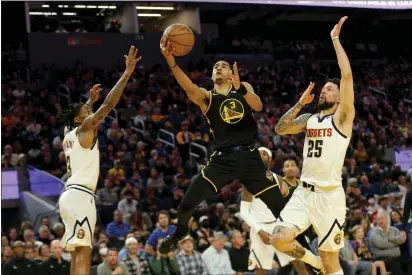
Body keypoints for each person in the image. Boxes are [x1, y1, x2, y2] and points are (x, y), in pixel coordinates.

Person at [159, 35, 287, 254]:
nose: (218, 68)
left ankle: (308, 255)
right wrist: (171, 61)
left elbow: (257, 106)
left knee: (283, 210)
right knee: (186, 204)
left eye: (223, 66)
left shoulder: (242, 88)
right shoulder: (206, 97)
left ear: (230, 74)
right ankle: (180, 233)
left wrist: (243, 89)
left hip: (250, 158)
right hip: (222, 159)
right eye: (216, 66)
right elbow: (188, 86)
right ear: (212, 75)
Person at [272, 16, 355, 275]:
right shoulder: (310, 119)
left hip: (330, 197)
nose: (323, 91)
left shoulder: (342, 118)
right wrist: (299, 104)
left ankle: (323, 265)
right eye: (323, 89)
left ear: (339, 97)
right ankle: (314, 263)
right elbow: (280, 128)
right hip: (304, 194)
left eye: (329, 89)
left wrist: (335, 40)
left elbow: (347, 75)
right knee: (279, 238)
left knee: (332, 264)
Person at [58, 46, 142, 275]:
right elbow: (108, 106)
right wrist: (126, 73)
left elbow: (81, 116)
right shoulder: (84, 127)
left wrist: (88, 101)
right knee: (84, 253)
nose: (89, 112)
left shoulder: (68, 134)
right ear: (79, 118)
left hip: (68, 196)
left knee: (77, 254)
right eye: (86, 110)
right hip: (81, 195)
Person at [241, 148, 314, 275]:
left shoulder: (279, 180)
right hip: (260, 227)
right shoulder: (248, 181)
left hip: (279, 226)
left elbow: (286, 206)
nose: (260, 154)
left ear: (270, 159)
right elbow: (244, 211)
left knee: (299, 263)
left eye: (264, 153)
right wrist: (259, 231)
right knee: (261, 269)